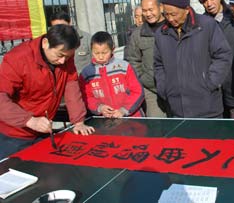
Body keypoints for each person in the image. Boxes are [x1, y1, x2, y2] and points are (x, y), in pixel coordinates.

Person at [0, 24, 95, 159]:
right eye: (59, 55)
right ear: (45, 43)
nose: (63, 61)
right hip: (14, 135)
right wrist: (29, 120)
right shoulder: (18, 59)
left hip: (43, 129)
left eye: (67, 57)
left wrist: (78, 121)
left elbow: (71, 87)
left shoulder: (65, 58)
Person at [153, 0, 232, 118]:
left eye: (174, 14)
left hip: (208, 108)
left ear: (186, 10)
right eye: (166, 14)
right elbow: (158, 64)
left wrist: (210, 83)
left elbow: (223, 55)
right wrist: (164, 88)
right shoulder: (161, 33)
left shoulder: (207, 26)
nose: (170, 19)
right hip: (177, 109)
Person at [79, 31, 144, 118]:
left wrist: (124, 110)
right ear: (91, 50)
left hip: (132, 118)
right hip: (105, 120)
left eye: (104, 53)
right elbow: (86, 96)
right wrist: (100, 108)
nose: (101, 57)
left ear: (112, 49)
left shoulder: (124, 67)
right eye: (96, 53)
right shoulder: (86, 73)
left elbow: (137, 91)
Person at [126, 0, 167, 117]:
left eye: (151, 9)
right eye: (145, 11)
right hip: (151, 90)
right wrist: (145, 79)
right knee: (158, 128)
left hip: (176, 88)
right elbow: (132, 60)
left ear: (161, 8)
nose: (148, 14)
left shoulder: (172, 28)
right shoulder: (137, 35)